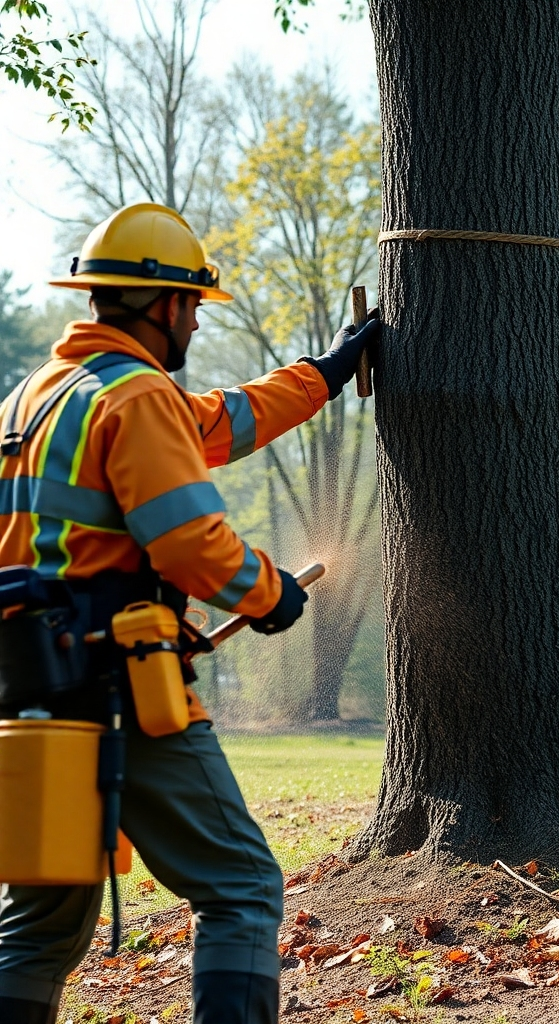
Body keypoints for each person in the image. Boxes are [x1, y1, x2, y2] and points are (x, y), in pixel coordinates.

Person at [0, 203, 379, 1024]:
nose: (198, 324)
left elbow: (220, 421)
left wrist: (328, 370)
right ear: (167, 305)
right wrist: (269, 593)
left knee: (37, 929)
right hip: (118, 690)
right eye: (196, 308)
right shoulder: (137, 397)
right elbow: (186, 543)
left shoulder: (37, 398)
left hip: (31, 697)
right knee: (242, 889)